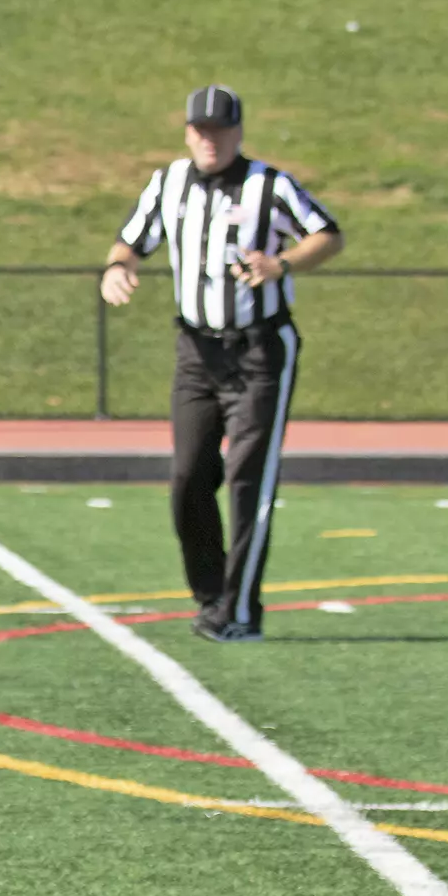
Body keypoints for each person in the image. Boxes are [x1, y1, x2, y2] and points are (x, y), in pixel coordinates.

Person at [100, 84, 344, 642]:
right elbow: (130, 241)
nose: (211, 139)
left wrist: (281, 263)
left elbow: (328, 235)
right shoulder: (169, 183)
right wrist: (117, 268)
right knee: (189, 477)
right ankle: (211, 595)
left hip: (259, 349)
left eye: (221, 129)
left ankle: (239, 612)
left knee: (247, 482)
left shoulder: (270, 186)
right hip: (196, 350)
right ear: (188, 133)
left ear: (238, 132)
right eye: (201, 130)